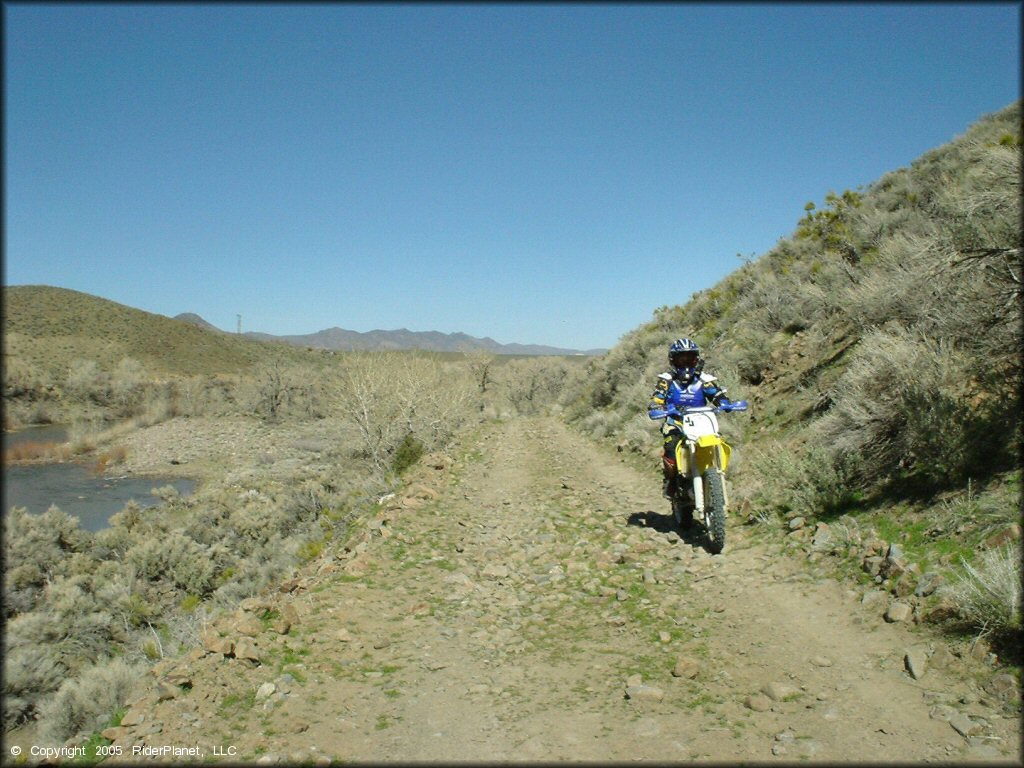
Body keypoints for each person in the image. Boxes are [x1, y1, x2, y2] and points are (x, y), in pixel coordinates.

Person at [647, 338, 738, 499]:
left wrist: (725, 403)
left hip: (701, 422)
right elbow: (657, 399)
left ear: (696, 359)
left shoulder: (704, 380)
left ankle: (714, 478)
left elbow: (716, 394)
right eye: (681, 358)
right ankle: (672, 480)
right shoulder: (667, 380)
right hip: (676, 422)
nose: (686, 362)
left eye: (690, 358)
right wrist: (657, 407)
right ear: (673, 360)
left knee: (717, 442)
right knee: (671, 445)